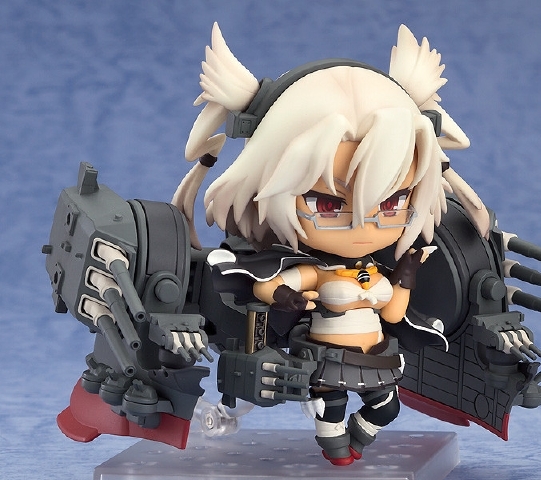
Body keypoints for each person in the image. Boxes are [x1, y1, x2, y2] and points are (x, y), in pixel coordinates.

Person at [172, 22, 490, 465]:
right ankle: (336, 446)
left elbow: (393, 314)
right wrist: (284, 297)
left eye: (393, 202)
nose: (363, 225)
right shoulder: (317, 273)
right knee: (332, 412)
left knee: (386, 409)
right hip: (328, 361)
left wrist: (404, 277)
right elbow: (269, 285)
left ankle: (357, 438)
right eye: (326, 205)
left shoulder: (373, 273)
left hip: (378, 358)